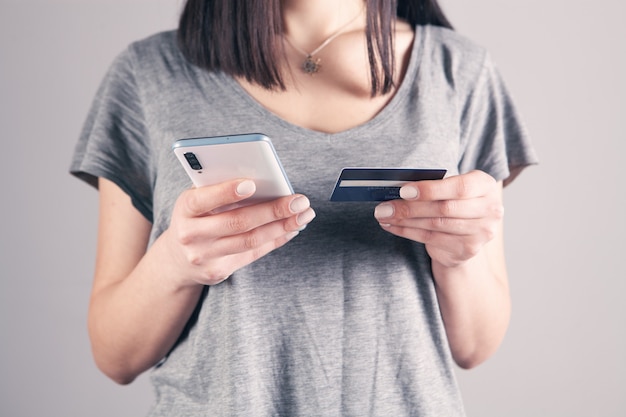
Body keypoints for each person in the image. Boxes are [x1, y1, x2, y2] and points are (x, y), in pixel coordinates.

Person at [70, 0, 538, 415]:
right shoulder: (149, 72)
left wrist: (457, 256)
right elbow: (116, 356)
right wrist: (176, 262)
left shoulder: (459, 70)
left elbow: (476, 345)